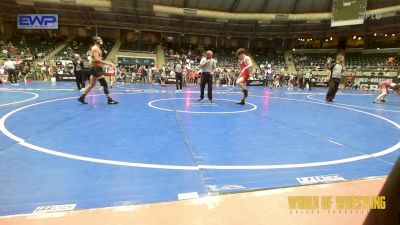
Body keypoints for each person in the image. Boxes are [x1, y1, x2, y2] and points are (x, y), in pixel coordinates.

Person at [77, 36, 118, 105]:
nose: (101, 40)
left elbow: (95, 59)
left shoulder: (96, 48)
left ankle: (82, 97)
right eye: (99, 39)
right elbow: (96, 59)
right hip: (96, 68)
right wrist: (109, 63)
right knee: (104, 84)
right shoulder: (95, 48)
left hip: (96, 68)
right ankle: (109, 99)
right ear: (96, 41)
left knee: (92, 85)